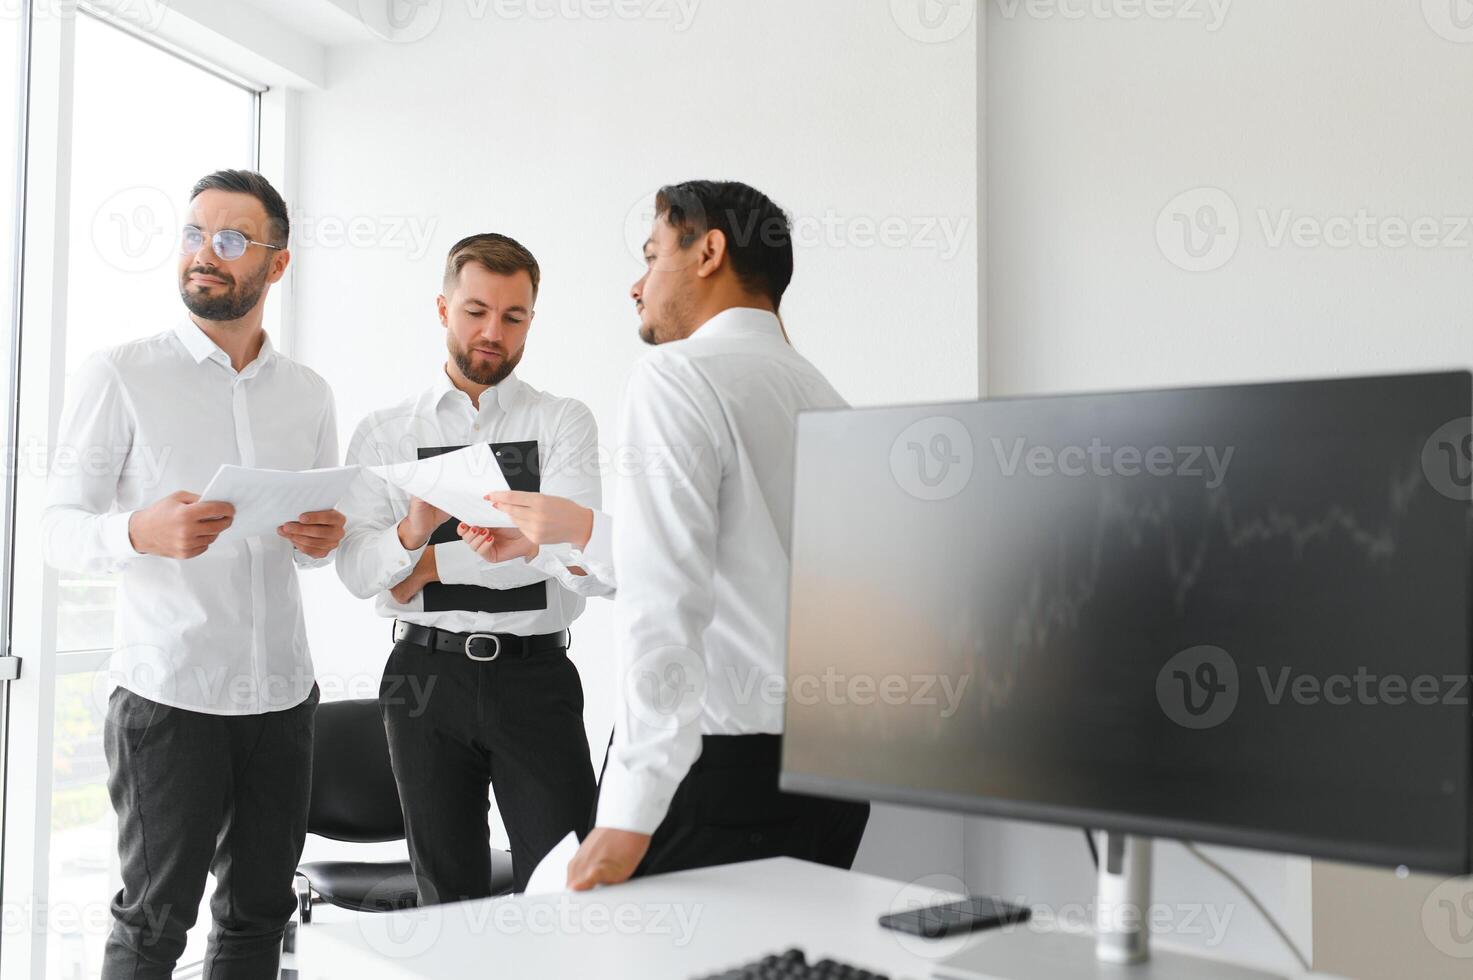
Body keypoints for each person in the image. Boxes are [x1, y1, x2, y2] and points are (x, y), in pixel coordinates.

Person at [42, 169, 345, 979]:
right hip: (169, 701)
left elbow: (315, 547)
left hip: (282, 700)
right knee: (153, 924)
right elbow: (54, 531)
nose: (204, 255)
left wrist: (322, 537)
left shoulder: (309, 394)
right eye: (193, 234)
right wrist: (140, 530)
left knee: (258, 919)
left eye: (232, 239)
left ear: (276, 265)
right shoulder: (120, 373)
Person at [553, 180, 870, 889]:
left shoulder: (675, 377)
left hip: (714, 777)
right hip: (839, 774)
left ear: (709, 252)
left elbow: (664, 602)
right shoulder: (828, 399)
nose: (636, 285)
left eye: (651, 253)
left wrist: (629, 810)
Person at [334, 233, 611, 901]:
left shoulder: (563, 422)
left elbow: (582, 562)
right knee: (445, 895)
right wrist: (414, 529)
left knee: (565, 888)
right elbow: (356, 571)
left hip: (535, 677)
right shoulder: (385, 432)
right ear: (442, 309)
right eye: (475, 311)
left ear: (530, 322)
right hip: (424, 679)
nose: (493, 331)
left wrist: (426, 565)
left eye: (513, 317)